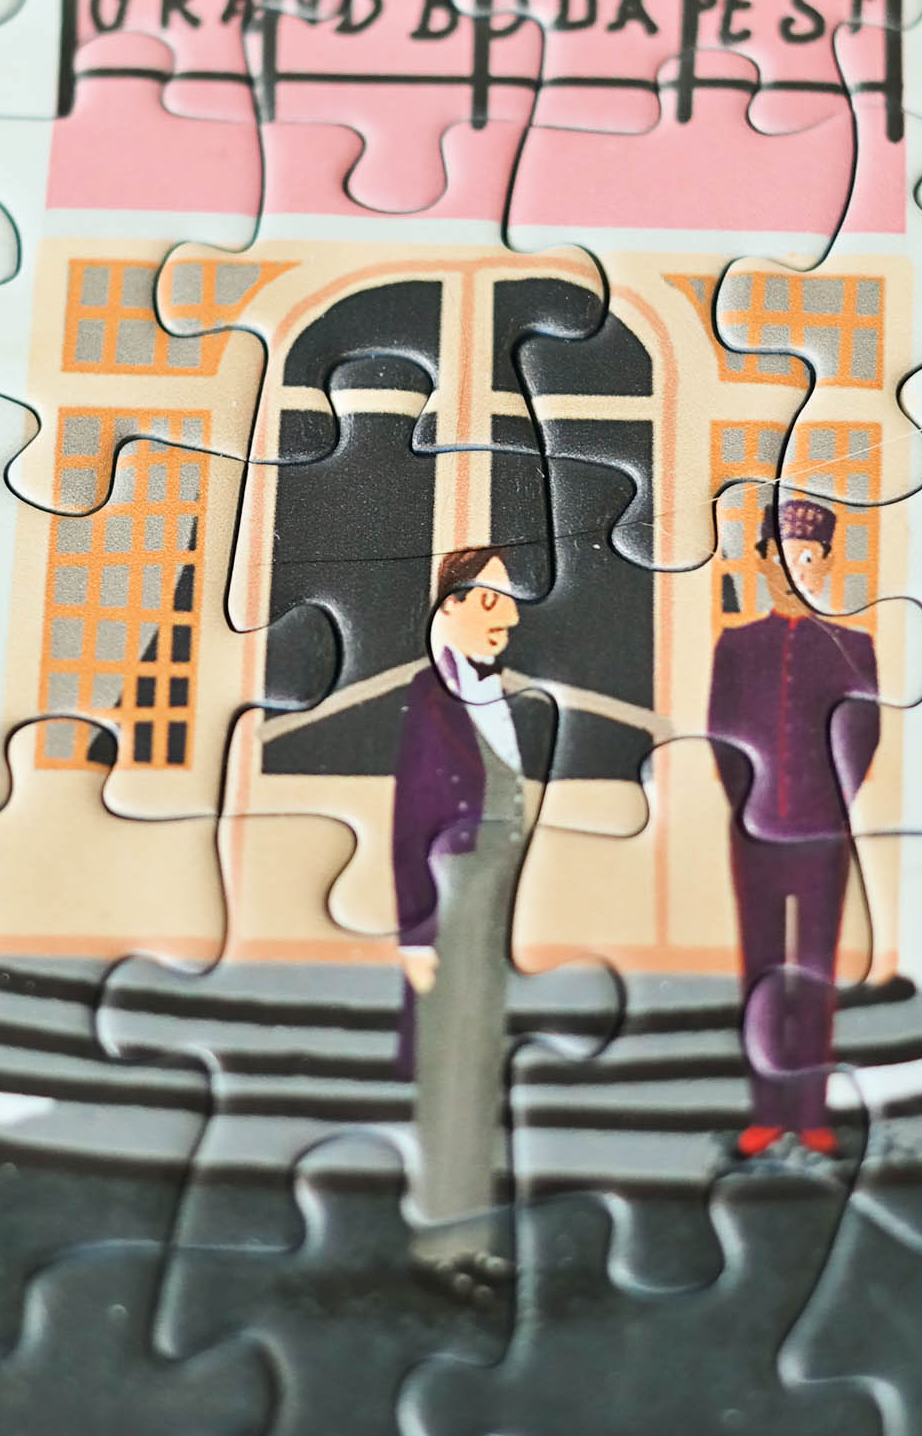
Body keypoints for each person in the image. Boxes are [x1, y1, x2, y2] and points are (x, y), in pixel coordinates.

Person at [707, 497, 879, 1159]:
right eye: (781, 556)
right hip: (753, 832)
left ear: (827, 564)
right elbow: (721, 735)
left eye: (808, 556)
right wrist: (747, 803)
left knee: (812, 970)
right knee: (760, 969)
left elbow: (862, 737)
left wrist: (829, 806)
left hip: (820, 835)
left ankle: (809, 1114)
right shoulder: (736, 645)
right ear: (762, 563)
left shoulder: (853, 648)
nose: (794, 568)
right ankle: (764, 1111)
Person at [391, 546, 529, 1301]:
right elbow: (412, 818)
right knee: (450, 1071)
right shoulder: (431, 697)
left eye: (509, 600)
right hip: (450, 900)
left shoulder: (489, 689)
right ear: (450, 606)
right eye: (488, 600)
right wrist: (415, 931)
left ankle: (469, 1238)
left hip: (492, 894)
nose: (508, 616)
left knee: (479, 1067)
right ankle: (441, 1244)